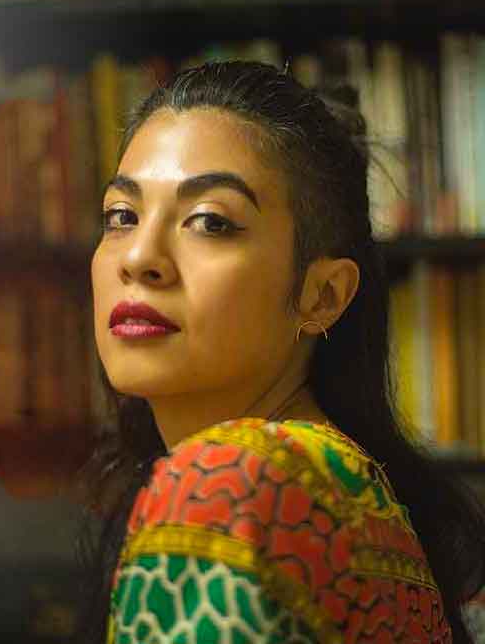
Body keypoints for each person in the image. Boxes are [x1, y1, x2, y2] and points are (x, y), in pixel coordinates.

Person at [73, 60, 485, 643]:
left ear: (322, 296)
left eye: (210, 222)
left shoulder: (230, 485)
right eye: (121, 216)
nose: (138, 257)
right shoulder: (347, 490)